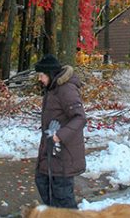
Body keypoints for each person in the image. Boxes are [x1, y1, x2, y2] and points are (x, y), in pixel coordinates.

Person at [34, 53, 87, 209]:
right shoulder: (53, 89)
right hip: (50, 151)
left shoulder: (66, 90)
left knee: (63, 198)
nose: (40, 79)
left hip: (63, 153)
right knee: (42, 181)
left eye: (42, 75)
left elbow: (80, 118)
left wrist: (60, 136)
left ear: (50, 74)